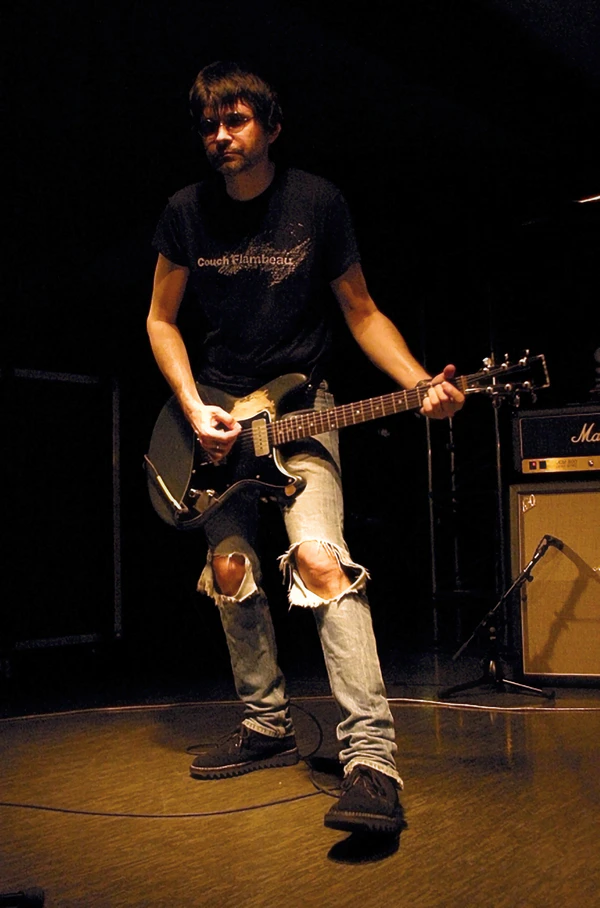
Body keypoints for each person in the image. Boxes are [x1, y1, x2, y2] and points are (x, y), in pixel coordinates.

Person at [147, 60, 464, 836]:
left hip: (301, 409)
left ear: (271, 126)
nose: (221, 136)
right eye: (209, 125)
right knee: (230, 571)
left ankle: (372, 764)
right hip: (215, 416)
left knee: (320, 559)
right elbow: (160, 319)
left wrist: (421, 383)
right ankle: (266, 726)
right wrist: (192, 407)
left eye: (236, 121)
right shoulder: (185, 212)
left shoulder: (317, 202)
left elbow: (362, 312)